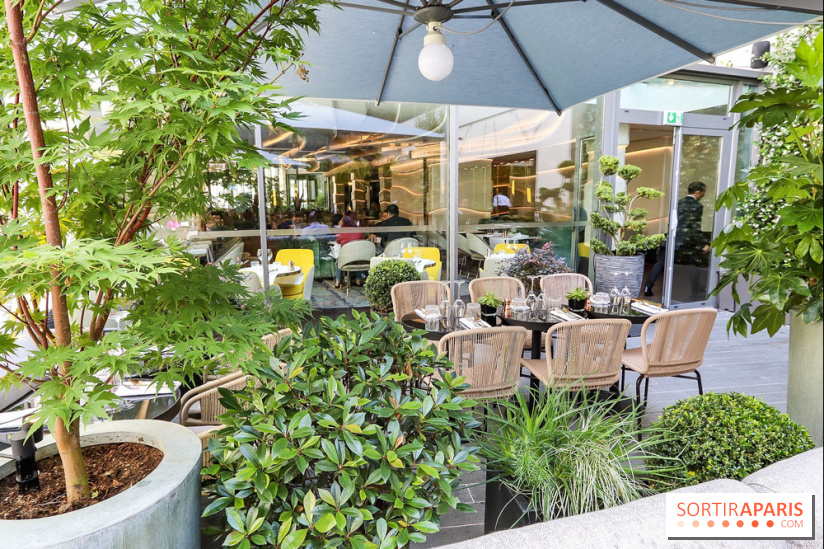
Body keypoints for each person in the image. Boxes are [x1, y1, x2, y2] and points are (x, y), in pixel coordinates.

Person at [644, 181, 710, 296]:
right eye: (703, 192)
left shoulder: (678, 203)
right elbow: (694, 226)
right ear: (698, 192)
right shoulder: (697, 206)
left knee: (660, 262)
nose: (704, 195)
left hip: (672, 238)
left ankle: (647, 286)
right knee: (693, 264)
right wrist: (701, 244)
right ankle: (696, 289)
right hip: (686, 241)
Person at [334, 213, 364, 288]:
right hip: (357, 258)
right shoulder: (359, 231)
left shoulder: (341, 231)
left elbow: (338, 241)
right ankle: (358, 280)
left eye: (341, 221)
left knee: (338, 259)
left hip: (346, 259)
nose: (339, 222)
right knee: (358, 256)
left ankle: (337, 281)